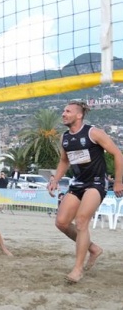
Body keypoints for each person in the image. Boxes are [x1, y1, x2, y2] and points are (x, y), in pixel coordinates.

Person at [47, 100, 123, 283]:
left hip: (96, 183)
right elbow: (64, 161)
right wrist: (55, 180)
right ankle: (93, 249)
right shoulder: (64, 137)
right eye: (63, 110)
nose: (63, 114)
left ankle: (78, 269)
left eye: (68, 111)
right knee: (62, 222)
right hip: (78, 183)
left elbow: (118, 154)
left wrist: (119, 181)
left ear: (79, 115)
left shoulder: (93, 133)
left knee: (81, 221)